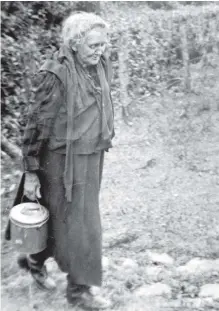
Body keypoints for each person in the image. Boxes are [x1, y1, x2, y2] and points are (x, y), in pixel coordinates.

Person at [6, 12, 114, 309]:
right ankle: (80, 291)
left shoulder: (100, 64)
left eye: (103, 44)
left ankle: (34, 259)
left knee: (60, 218)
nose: (100, 50)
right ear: (74, 42)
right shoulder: (55, 75)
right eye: (93, 45)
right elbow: (34, 125)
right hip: (58, 161)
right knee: (84, 225)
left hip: (91, 157)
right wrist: (30, 172)